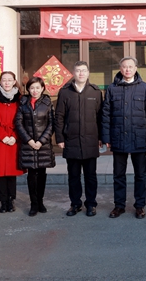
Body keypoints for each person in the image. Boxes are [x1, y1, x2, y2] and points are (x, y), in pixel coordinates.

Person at [102, 57, 146, 219]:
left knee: (140, 174)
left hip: (139, 138)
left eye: (130, 67)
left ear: (136, 68)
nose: (127, 70)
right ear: (120, 69)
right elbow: (106, 115)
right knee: (118, 175)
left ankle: (140, 206)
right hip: (118, 137)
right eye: (124, 67)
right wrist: (106, 137)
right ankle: (119, 206)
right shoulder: (112, 88)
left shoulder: (144, 88)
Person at [54, 61, 103, 217]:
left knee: (91, 176)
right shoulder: (65, 92)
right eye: (78, 71)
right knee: (73, 176)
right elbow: (59, 117)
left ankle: (91, 204)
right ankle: (75, 204)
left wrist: (101, 137)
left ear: (88, 73)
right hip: (71, 140)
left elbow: (100, 117)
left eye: (84, 70)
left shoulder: (95, 92)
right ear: (73, 73)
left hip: (90, 140)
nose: (81, 73)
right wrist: (60, 137)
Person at [15, 76, 55, 217]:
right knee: (32, 175)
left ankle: (40, 201)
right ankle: (33, 203)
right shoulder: (23, 103)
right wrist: (29, 140)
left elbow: (52, 124)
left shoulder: (47, 103)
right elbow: (18, 123)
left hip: (43, 145)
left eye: (38, 88)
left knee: (42, 174)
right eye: (32, 88)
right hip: (29, 145)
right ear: (28, 89)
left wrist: (41, 141)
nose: (35, 91)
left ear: (42, 88)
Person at [0, 71, 24, 213]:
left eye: (9, 80)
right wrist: (3, 136)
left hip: (14, 139)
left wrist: (14, 136)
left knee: (11, 173)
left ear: (14, 82)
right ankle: (3, 201)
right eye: (4, 80)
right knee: (0, 173)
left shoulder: (20, 99)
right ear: (0, 82)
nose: (7, 82)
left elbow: (23, 119)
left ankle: (11, 200)